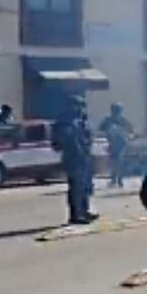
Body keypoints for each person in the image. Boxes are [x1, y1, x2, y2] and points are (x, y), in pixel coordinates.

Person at [52, 96, 97, 225]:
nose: (81, 108)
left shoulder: (81, 120)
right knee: (76, 187)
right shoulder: (65, 121)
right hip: (73, 158)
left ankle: (84, 210)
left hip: (84, 157)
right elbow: (65, 141)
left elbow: (87, 136)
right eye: (78, 105)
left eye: (82, 106)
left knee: (85, 185)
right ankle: (76, 214)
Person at [99, 103, 134, 188]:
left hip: (119, 143)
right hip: (114, 143)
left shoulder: (119, 120)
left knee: (117, 161)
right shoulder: (111, 120)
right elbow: (101, 128)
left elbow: (130, 130)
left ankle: (117, 179)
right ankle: (116, 179)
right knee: (116, 161)